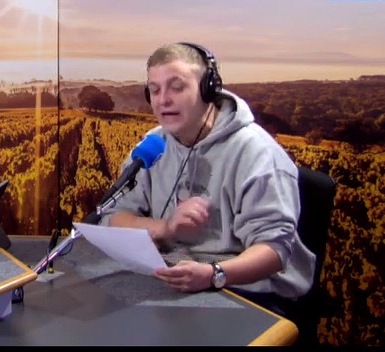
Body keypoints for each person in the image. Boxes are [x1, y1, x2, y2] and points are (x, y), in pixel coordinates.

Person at [99, 42, 314, 314]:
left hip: (247, 292)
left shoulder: (258, 154)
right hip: (174, 279)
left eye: (177, 87)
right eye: (154, 90)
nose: (163, 100)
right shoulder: (153, 145)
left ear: (208, 89)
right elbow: (114, 218)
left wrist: (213, 274)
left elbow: (274, 250)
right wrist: (167, 228)